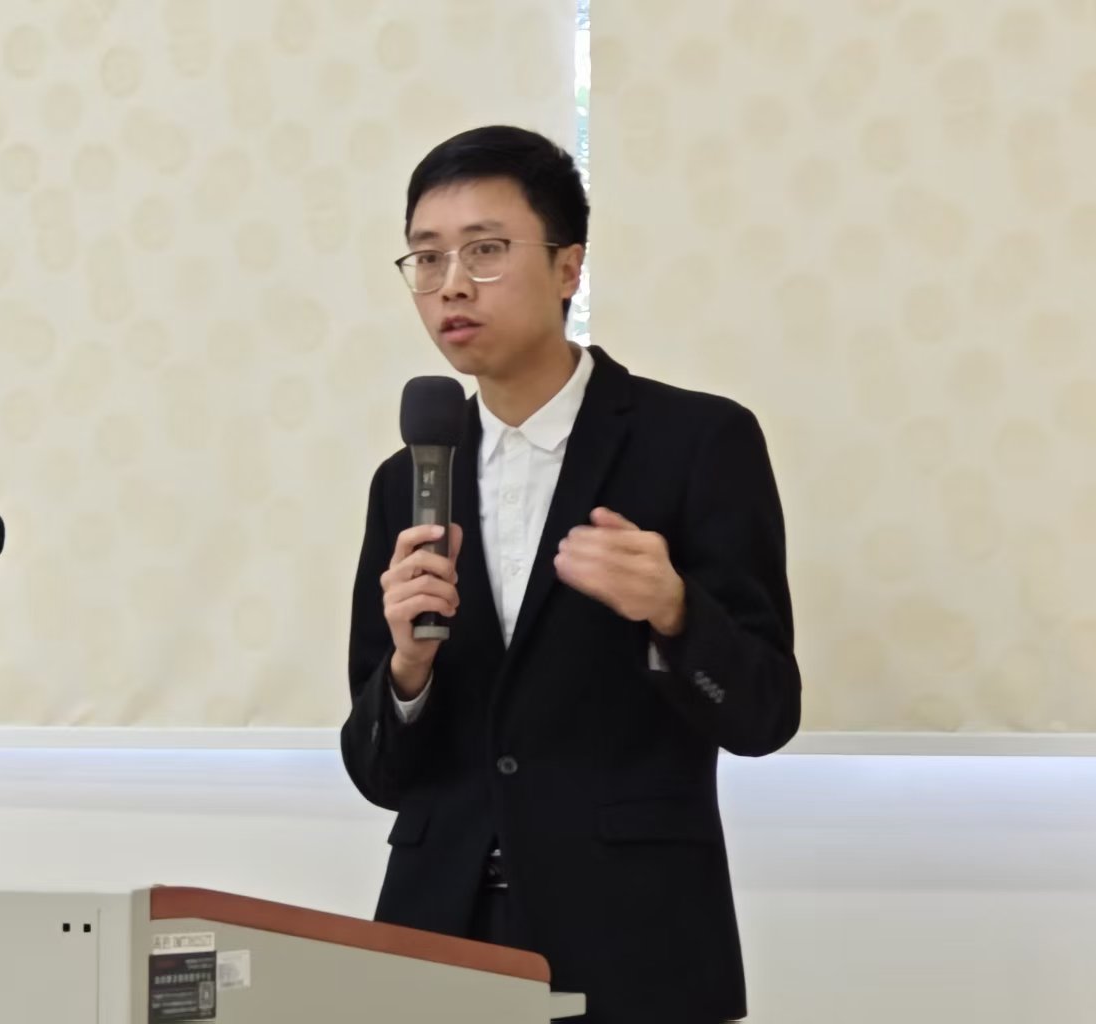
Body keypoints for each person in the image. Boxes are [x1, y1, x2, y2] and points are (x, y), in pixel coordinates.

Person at [340, 124, 800, 1024]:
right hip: (440, 934)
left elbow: (765, 712)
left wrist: (676, 612)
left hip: (634, 939)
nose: (451, 285)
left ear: (568, 267)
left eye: (485, 250)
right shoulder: (408, 480)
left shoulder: (697, 443)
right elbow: (379, 773)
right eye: (427, 259)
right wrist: (407, 674)